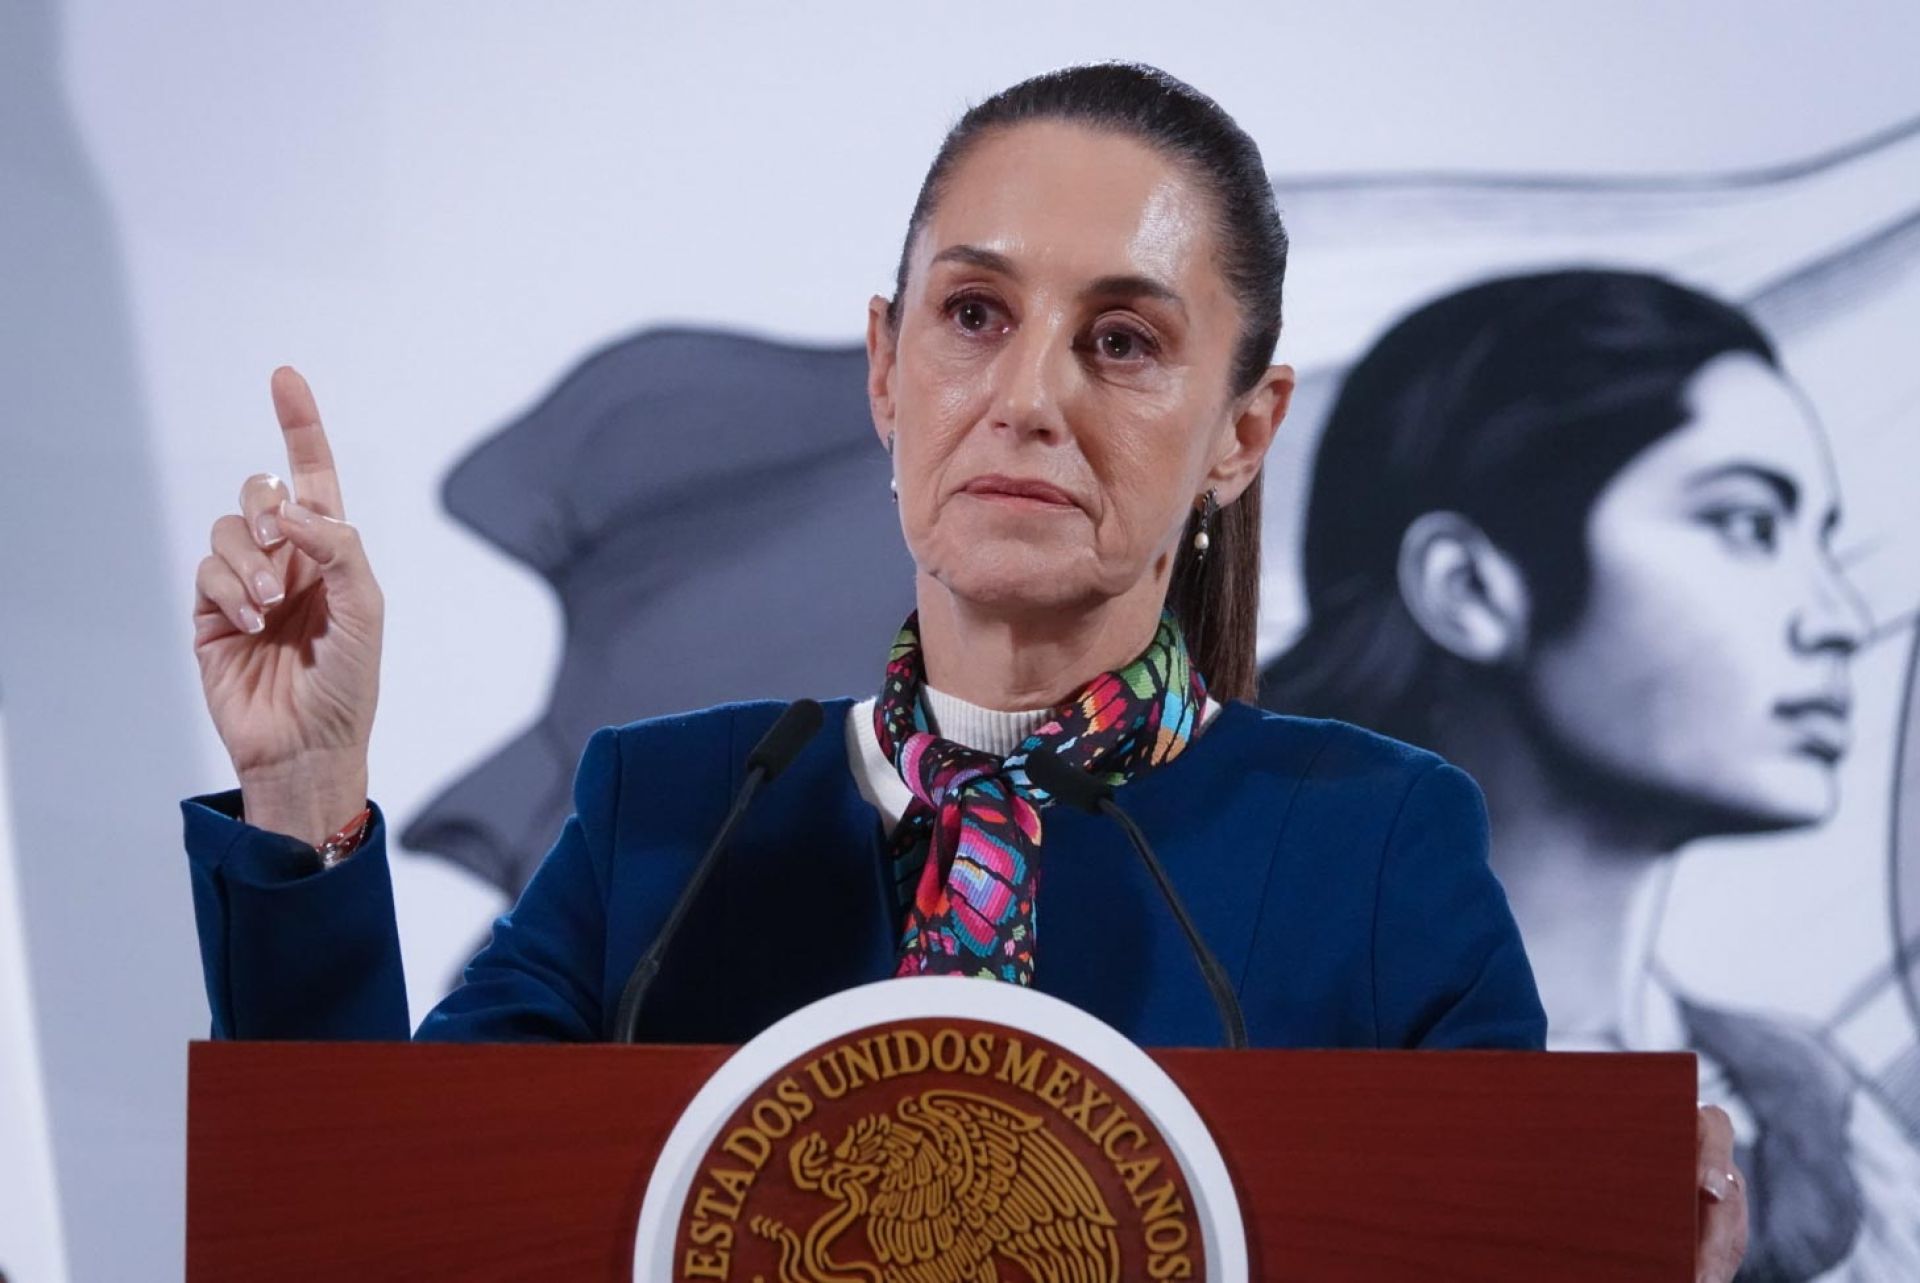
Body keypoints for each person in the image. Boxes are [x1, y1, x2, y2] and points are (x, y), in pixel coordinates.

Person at [181, 67, 1747, 1277]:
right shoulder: (662, 814)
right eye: (975, 314)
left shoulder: (1381, 846)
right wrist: (305, 786)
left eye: (1122, 341)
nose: (1025, 397)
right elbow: (377, 1229)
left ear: (1242, 434)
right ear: (885, 364)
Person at [1263, 269, 1899, 1280]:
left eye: (1819, 539)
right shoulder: (1250, 1069)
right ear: (1468, 587)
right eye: (1745, 523)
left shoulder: (1815, 1111)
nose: (1837, 619)